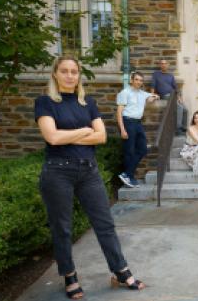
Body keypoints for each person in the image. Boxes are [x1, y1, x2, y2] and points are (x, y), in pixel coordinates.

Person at [35, 56, 145, 299]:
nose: (70, 75)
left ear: (78, 75)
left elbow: (101, 137)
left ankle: (120, 269)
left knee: (105, 224)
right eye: (64, 71)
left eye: (74, 71)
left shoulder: (88, 102)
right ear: (55, 74)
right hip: (57, 171)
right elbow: (51, 137)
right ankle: (69, 275)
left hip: (89, 171)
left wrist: (70, 135)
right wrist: (85, 131)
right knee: (62, 228)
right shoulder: (45, 103)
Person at [117, 72, 159, 188]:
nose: (139, 82)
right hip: (128, 122)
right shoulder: (124, 93)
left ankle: (127, 174)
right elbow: (119, 112)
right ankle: (129, 177)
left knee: (143, 149)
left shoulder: (142, 93)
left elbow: (152, 97)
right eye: (136, 79)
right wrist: (122, 129)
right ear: (131, 80)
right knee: (129, 151)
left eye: (141, 80)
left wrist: (154, 96)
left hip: (138, 123)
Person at [151, 59, 188, 135]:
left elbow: (176, 88)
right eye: (162, 63)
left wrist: (179, 98)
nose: (163, 65)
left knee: (185, 109)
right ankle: (178, 128)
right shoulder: (156, 74)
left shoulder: (170, 76)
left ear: (168, 65)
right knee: (179, 107)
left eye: (165, 63)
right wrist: (152, 95)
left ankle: (183, 127)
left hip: (174, 95)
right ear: (160, 65)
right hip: (165, 96)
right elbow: (153, 86)